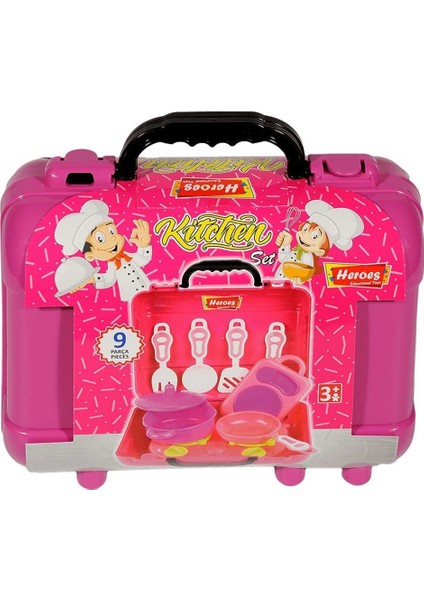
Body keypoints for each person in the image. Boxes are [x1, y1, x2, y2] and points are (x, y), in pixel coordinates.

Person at [54, 200, 152, 301]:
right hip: (131, 298)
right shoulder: (113, 265)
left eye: (112, 232)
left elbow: (142, 259)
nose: (113, 238)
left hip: (148, 291)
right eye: (100, 239)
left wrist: (144, 245)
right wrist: (90, 279)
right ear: (90, 255)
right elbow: (108, 280)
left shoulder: (127, 256)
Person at [276, 200, 364, 284]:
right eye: (305, 229)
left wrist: (301, 279)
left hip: (291, 287)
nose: (304, 234)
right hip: (276, 281)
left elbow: (306, 273)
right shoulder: (296, 250)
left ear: (319, 252)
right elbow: (282, 259)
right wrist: (285, 245)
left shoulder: (307, 257)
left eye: (314, 236)